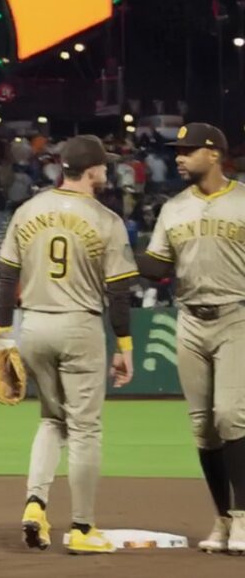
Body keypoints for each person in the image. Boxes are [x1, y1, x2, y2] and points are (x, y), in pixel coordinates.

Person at [0, 135, 137, 554]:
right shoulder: (107, 220)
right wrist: (124, 345)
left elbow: (6, 277)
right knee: (85, 429)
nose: (107, 170)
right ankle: (82, 528)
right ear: (90, 170)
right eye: (103, 165)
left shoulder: (28, 209)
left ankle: (35, 504)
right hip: (79, 325)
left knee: (51, 420)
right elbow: (119, 292)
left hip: (34, 325)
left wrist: (3, 335)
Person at [137, 123, 245, 554]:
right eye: (177, 151)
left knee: (231, 415)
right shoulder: (173, 208)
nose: (179, 157)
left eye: (188, 150)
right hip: (190, 320)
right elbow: (155, 267)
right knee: (203, 427)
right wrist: (112, 254)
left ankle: (243, 517)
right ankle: (222, 519)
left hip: (236, 315)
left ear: (214, 154)